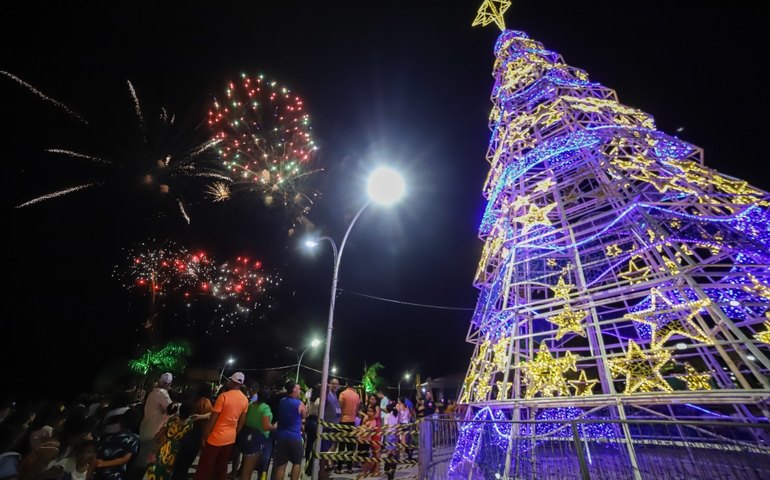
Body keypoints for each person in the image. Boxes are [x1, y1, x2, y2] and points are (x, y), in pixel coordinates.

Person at [193, 373, 248, 480]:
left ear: (232, 382)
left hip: (216, 437)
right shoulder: (245, 399)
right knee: (222, 468)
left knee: (205, 467)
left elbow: (213, 418)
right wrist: (235, 434)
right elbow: (242, 420)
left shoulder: (223, 396)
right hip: (230, 438)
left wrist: (205, 435)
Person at [135, 374, 175, 478]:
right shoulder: (161, 393)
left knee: (142, 459)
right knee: (144, 463)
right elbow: (171, 408)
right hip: (153, 432)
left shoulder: (153, 393)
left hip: (146, 429)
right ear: (169, 384)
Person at [144, 403, 196, 480]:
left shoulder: (173, 419)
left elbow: (163, 431)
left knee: (156, 465)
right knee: (166, 470)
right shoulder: (190, 425)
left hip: (164, 444)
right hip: (175, 449)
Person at [172, 384, 212, 480]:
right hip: (197, 433)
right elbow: (210, 415)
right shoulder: (205, 402)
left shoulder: (193, 399)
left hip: (187, 431)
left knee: (181, 460)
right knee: (187, 461)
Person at [237, 387, 275, 480]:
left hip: (245, 435)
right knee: (247, 471)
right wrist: (275, 426)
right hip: (255, 439)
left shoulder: (250, 405)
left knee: (245, 467)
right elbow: (266, 426)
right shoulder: (265, 408)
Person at [271, 382, 306, 480]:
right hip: (294, 437)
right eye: (299, 389)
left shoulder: (282, 401)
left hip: (281, 436)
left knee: (281, 465)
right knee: (297, 462)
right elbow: (304, 415)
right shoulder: (299, 403)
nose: (300, 391)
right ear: (294, 390)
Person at [93, 410, 140, 480]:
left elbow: (125, 459)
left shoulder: (109, 437)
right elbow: (125, 459)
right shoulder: (134, 439)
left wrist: (103, 463)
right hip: (116, 474)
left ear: (120, 421)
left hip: (103, 472)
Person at [335, 383, 359, 475]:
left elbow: (339, 408)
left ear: (346, 385)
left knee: (341, 446)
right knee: (350, 446)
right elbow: (357, 409)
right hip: (352, 422)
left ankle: (339, 468)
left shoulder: (343, 394)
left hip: (343, 421)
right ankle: (349, 468)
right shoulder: (357, 396)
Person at [302, 385, 320, 477]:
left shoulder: (310, 400)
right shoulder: (319, 400)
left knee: (309, 444)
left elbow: (307, 410)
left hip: (310, 421)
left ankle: (307, 467)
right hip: (316, 421)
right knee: (315, 446)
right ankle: (312, 468)